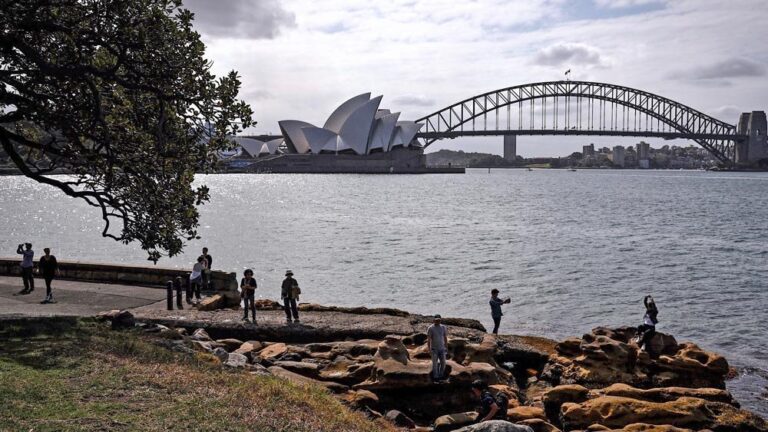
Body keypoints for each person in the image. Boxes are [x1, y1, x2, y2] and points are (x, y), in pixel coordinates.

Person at [427, 314, 448, 381]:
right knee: (435, 364)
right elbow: (429, 339)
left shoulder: (443, 327)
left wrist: (446, 347)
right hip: (434, 349)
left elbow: (445, 337)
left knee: (443, 363)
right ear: (434, 320)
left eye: (439, 320)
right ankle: (436, 377)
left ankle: (441, 376)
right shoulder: (430, 328)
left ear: (440, 320)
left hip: (442, 348)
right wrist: (429, 349)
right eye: (436, 320)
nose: (438, 321)